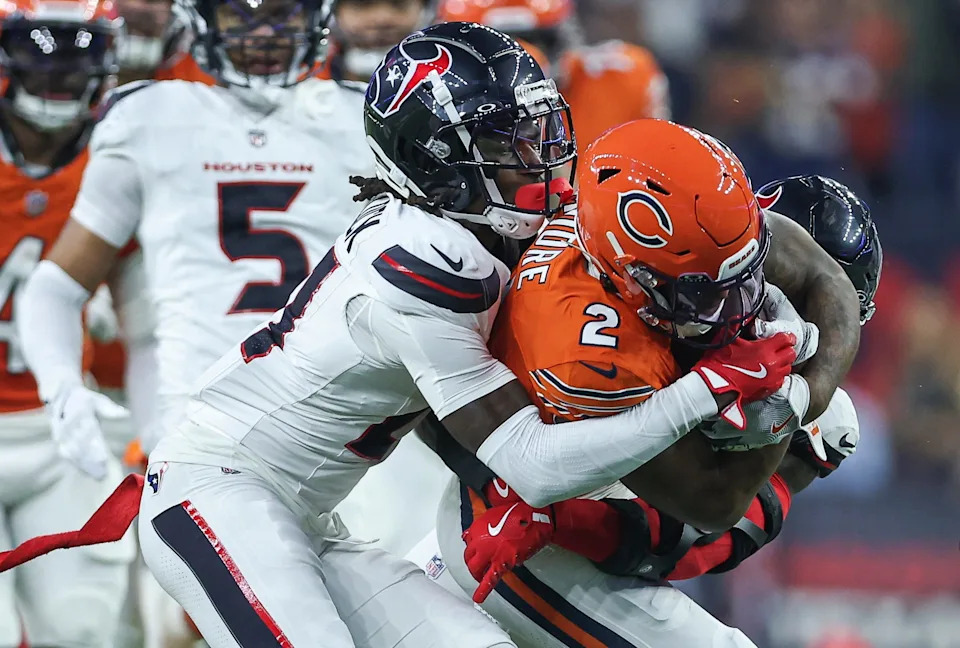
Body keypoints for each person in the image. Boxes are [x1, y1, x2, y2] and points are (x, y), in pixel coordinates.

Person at [111, 23, 804, 645]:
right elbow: (531, 462)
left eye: (538, 134)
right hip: (215, 488)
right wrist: (704, 391)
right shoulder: (426, 261)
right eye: (508, 145)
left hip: (310, 515)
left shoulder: (477, 235)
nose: (537, 160)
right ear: (435, 164)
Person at [434, 173, 880, 647]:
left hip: (551, 536)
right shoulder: (652, 276)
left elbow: (697, 534)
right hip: (504, 516)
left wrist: (563, 522)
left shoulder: (819, 417)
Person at [0, 1, 136, 646]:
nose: (56, 75)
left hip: (62, 422)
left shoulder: (119, 154)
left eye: (73, 60)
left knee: (82, 627)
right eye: (39, 58)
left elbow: (152, 310)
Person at [435, 0, 670, 152]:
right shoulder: (432, 95)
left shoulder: (623, 75)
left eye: (537, 40)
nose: (525, 59)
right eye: (496, 44)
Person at [322, 0, 431, 83]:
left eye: (398, 3)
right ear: (334, 12)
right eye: (362, 4)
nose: (382, 18)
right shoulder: (308, 93)